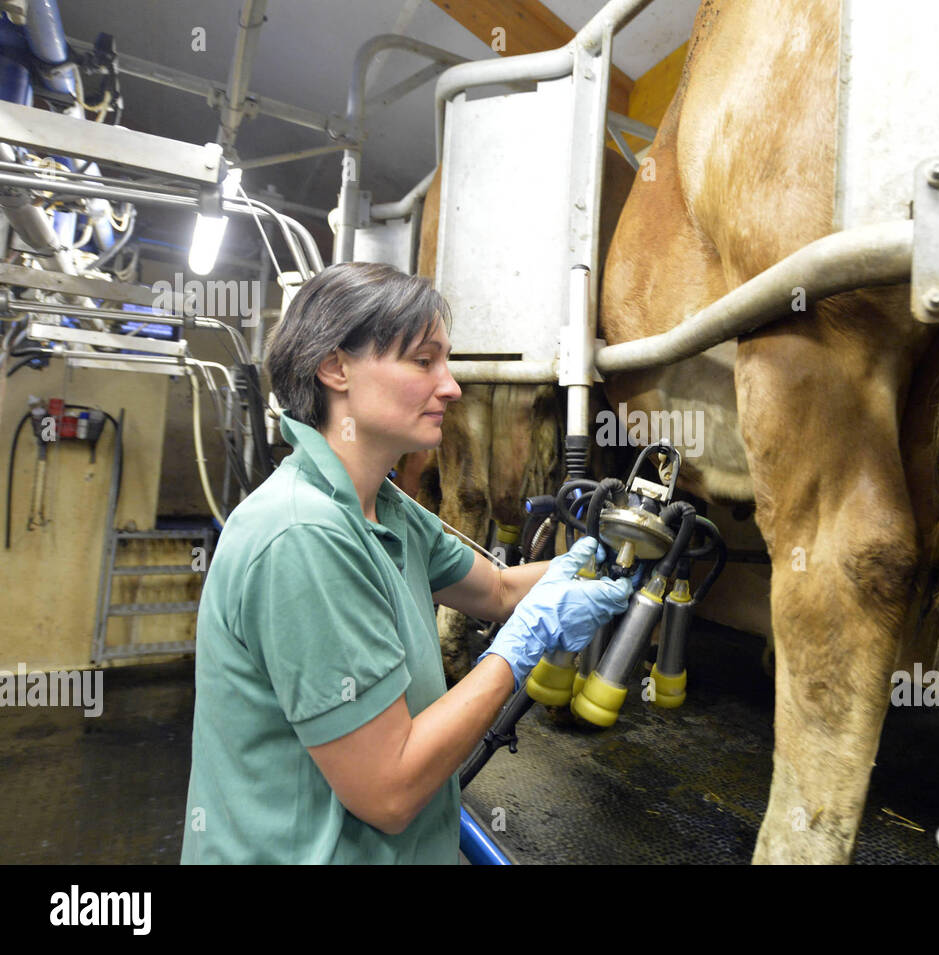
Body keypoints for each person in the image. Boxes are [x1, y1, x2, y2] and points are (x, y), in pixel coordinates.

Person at [181, 261, 632, 864]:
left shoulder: (384, 506)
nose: (451, 387)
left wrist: (593, 566)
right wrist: (522, 645)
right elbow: (389, 791)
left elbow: (496, 590)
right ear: (335, 367)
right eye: (424, 361)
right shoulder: (303, 536)